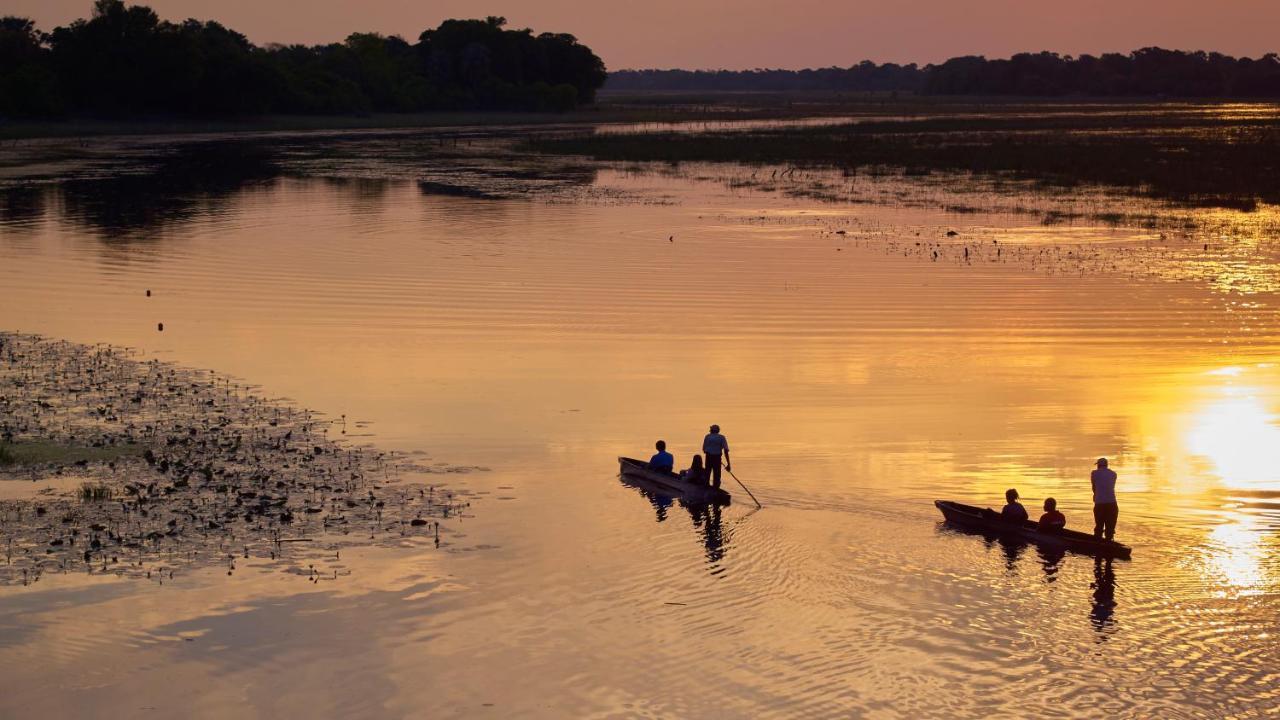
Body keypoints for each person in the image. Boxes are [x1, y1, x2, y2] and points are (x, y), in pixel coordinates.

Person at [1091, 457, 1119, 541]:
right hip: (1112, 504)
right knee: (1110, 530)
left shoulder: (1094, 473)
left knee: (1099, 527)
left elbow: (1094, 487)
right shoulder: (1114, 474)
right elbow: (1110, 487)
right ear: (1107, 465)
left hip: (1099, 504)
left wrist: (1095, 496)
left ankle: (1097, 545)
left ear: (1098, 465)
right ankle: (1109, 543)